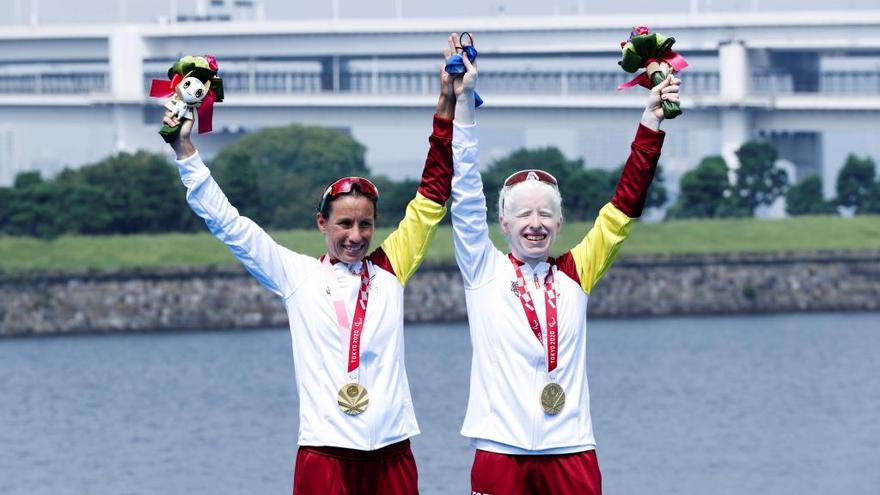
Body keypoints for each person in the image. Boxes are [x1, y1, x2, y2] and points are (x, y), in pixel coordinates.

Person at [161, 38, 464, 495]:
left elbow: (433, 196)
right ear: (322, 222)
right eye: (344, 224)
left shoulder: (393, 265)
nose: (356, 236)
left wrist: (446, 104)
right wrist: (186, 153)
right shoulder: (297, 275)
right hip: (323, 454)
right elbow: (230, 225)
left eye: (366, 225)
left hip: (392, 452)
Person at [448, 32, 681, 494]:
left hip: (571, 451)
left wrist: (651, 121)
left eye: (545, 214)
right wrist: (464, 105)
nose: (534, 224)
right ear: (503, 224)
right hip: (500, 452)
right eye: (523, 215)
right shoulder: (482, 270)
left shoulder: (579, 270)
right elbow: (465, 191)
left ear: (560, 222)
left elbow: (624, 207)